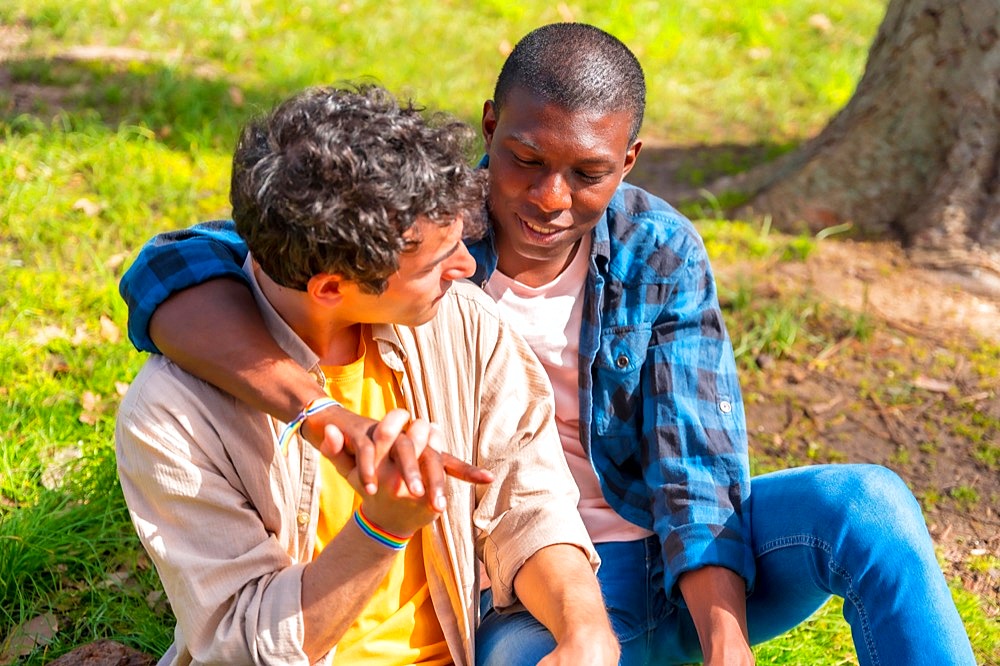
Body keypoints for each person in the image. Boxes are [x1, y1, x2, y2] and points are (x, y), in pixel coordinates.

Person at [118, 24, 976, 666]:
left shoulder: (646, 251)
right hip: (505, 594)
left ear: (630, 160)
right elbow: (185, 264)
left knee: (868, 503)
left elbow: (694, 469)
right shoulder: (419, 229)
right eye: (525, 160)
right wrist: (320, 415)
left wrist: (725, 640)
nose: (549, 198)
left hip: (652, 562)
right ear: (491, 127)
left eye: (589, 172)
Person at [115, 83, 620, 666]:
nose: (466, 267)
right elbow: (241, 645)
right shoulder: (172, 417)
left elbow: (530, 507)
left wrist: (586, 632)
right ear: (331, 288)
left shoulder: (464, 323)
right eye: (436, 263)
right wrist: (382, 528)